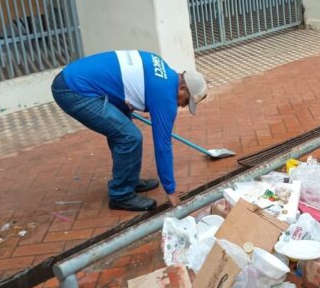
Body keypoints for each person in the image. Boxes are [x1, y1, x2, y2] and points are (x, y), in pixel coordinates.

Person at [51, 50, 208, 211]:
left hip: (76, 78)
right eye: (186, 101)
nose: (182, 106)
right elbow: (163, 146)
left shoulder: (163, 69)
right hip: (75, 90)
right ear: (182, 88)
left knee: (124, 125)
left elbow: (124, 77)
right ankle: (121, 194)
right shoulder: (166, 95)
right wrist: (171, 190)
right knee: (129, 137)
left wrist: (121, 97)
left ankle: (129, 180)